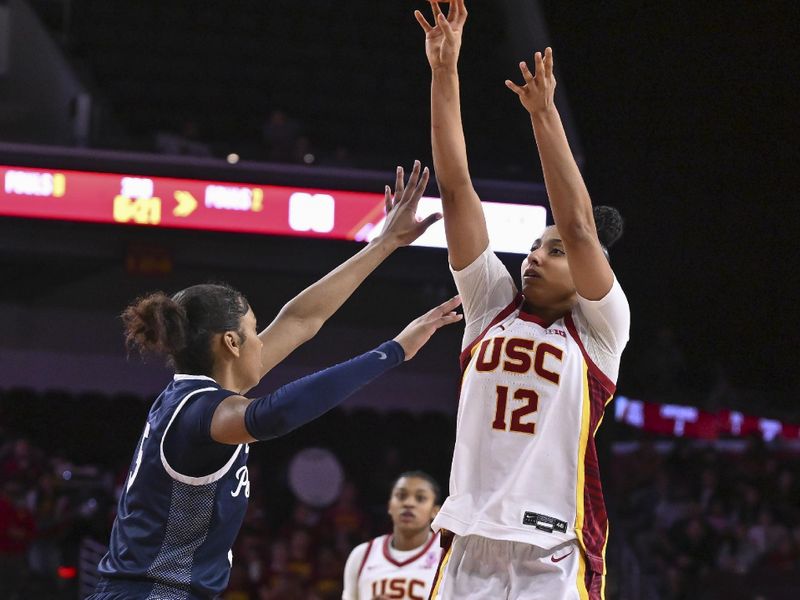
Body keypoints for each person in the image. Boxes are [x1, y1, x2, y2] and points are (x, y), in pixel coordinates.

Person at [87, 162, 463, 600]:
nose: (261, 342)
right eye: (253, 330)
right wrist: (393, 351)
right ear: (230, 342)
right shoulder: (203, 413)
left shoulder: (197, 397)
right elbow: (280, 411)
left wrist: (384, 243)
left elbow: (302, 319)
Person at [414, 2, 630, 598]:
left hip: (554, 548)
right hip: (468, 537)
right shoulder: (490, 306)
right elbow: (456, 188)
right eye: (533, 247)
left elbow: (580, 227)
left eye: (552, 252)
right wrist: (444, 71)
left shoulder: (603, 329)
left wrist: (544, 116)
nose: (535, 256)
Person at [342, 472, 442, 600]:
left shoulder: (447, 555)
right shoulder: (362, 555)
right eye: (401, 496)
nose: (409, 503)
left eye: (420, 498)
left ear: (435, 511)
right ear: (389, 506)